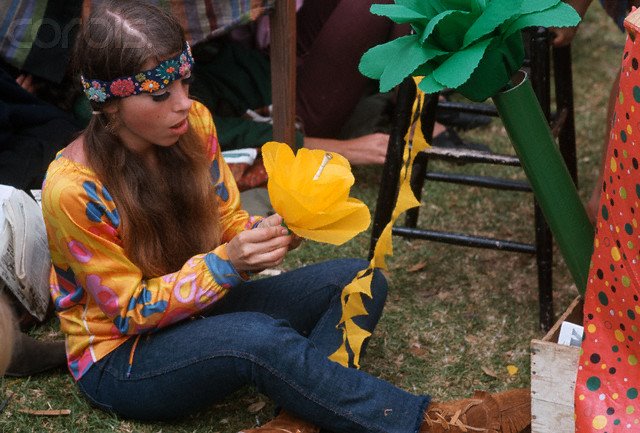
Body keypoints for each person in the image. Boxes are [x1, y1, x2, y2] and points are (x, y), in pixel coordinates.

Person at [41, 2, 531, 432]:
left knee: (358, 282)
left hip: (200, 310)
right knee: (257, 338)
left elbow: (227, 219)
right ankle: (428, 423)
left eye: (185, 81)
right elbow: (129, 311)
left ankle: (297, 421)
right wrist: (227, 264)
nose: (183, 103)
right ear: (108, 103)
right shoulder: (73, 189)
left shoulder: (195, 125)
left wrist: (265, 232)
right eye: (160, 94)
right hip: (122, 359)